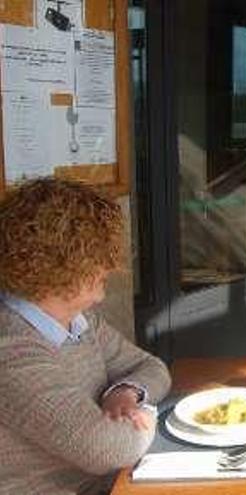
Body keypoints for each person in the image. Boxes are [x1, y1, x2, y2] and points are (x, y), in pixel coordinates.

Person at [0, 178, 171, 495]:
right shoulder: (10, 349)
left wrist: (125, 392)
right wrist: (147, 414)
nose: (112, 264)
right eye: (101, 255)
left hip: (115, 484)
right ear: (66, 267)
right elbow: (105, 448)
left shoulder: (79, 322)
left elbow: (153, 369)